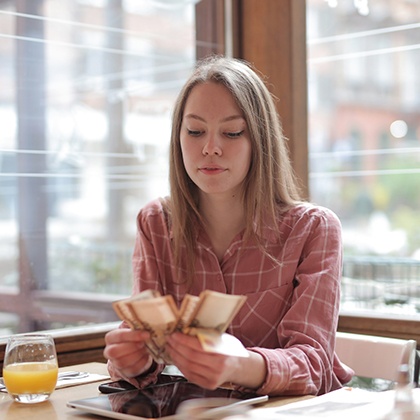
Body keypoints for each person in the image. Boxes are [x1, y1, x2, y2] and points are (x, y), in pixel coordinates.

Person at [103, 55, 353, 396]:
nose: (210, 148)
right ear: (178, 138)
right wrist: (134, 362)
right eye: (195, 131)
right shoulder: (156, 223)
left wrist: (240, 365)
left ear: (259, 141)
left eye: (232, 132)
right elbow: (145, 351)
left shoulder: (313, 230)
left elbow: (315, 364)